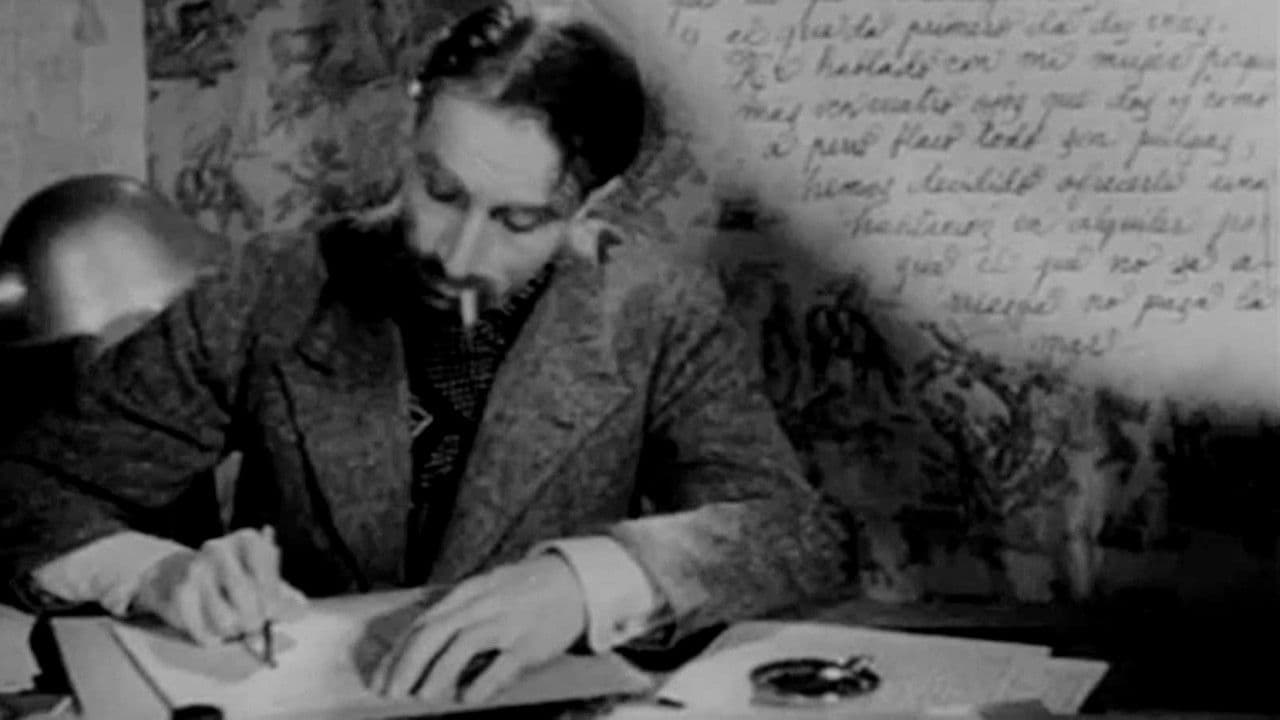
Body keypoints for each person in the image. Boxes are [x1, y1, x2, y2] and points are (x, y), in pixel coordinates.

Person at [0, 1, 857, 705]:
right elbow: (26, 491)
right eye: (441, 190)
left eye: (519, 220)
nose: (459, 253)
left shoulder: (659, 310)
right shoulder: (270, 287)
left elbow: (793, 531)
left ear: (596, 201)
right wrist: (153, 573)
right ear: (410, 129)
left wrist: (585, 581)